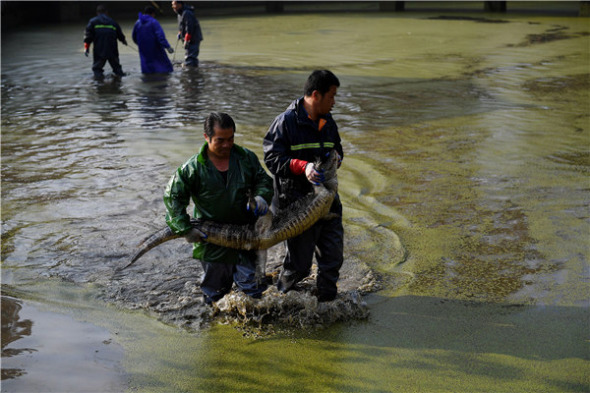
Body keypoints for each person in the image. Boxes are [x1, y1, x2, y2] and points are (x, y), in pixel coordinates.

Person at [164, 112, 273, 305]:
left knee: (253, 292)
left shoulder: (246, 158)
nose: (227, 145)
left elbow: (263, 180)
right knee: (215, 296)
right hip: (211, 240)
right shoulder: (191, 169)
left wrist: (261, 196)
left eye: (230, 139)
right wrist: (185, 229)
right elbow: (173, 198)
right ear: (206, 137)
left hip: (246, 235)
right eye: (220, 140)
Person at [263, 70, 344, 302]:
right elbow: (271, 159)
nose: (334, 102)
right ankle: (280, 300)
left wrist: (338, 157)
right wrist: (304, 167)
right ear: (316, 95)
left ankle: (327, 303)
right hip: (297, 207)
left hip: (329, 203)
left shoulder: (328, 122)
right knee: (299, 266)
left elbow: (337, 149)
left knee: (333, 260)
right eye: (332, 96)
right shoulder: (285, 122)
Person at [83, 4, 127, 78]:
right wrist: (124, 41)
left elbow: (88, 37)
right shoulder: (113, 22)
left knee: (97, 69)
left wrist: (86, 48)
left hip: (100, 50)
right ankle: (119, 82)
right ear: (107, 12)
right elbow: (120, 34)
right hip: (112, 49)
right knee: (117, 69)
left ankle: (99, 85)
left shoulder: (93, 22)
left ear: (97, 13)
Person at [132, 6, 174, 74]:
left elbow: (134, 37)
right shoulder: (154, 22)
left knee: (147, 67)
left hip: (143, 49)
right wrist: (168, 47)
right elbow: (160, 37)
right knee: (165, 67)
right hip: (155, 48)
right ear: (153, 14)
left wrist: (141, 44)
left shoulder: (137, 23)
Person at [171, 1, 203, 68]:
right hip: (188, 38)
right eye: (172, 5)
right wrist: (180, 33)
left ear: (179, 5)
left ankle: (190, 73)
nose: (173, 7)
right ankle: (194, 70)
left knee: (189, 57)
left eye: (174, 5)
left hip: (193, 38)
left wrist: (186, 40)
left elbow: (189, 27)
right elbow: (181, 26)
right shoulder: (179, 14)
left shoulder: (187, 13)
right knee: (192, 57)